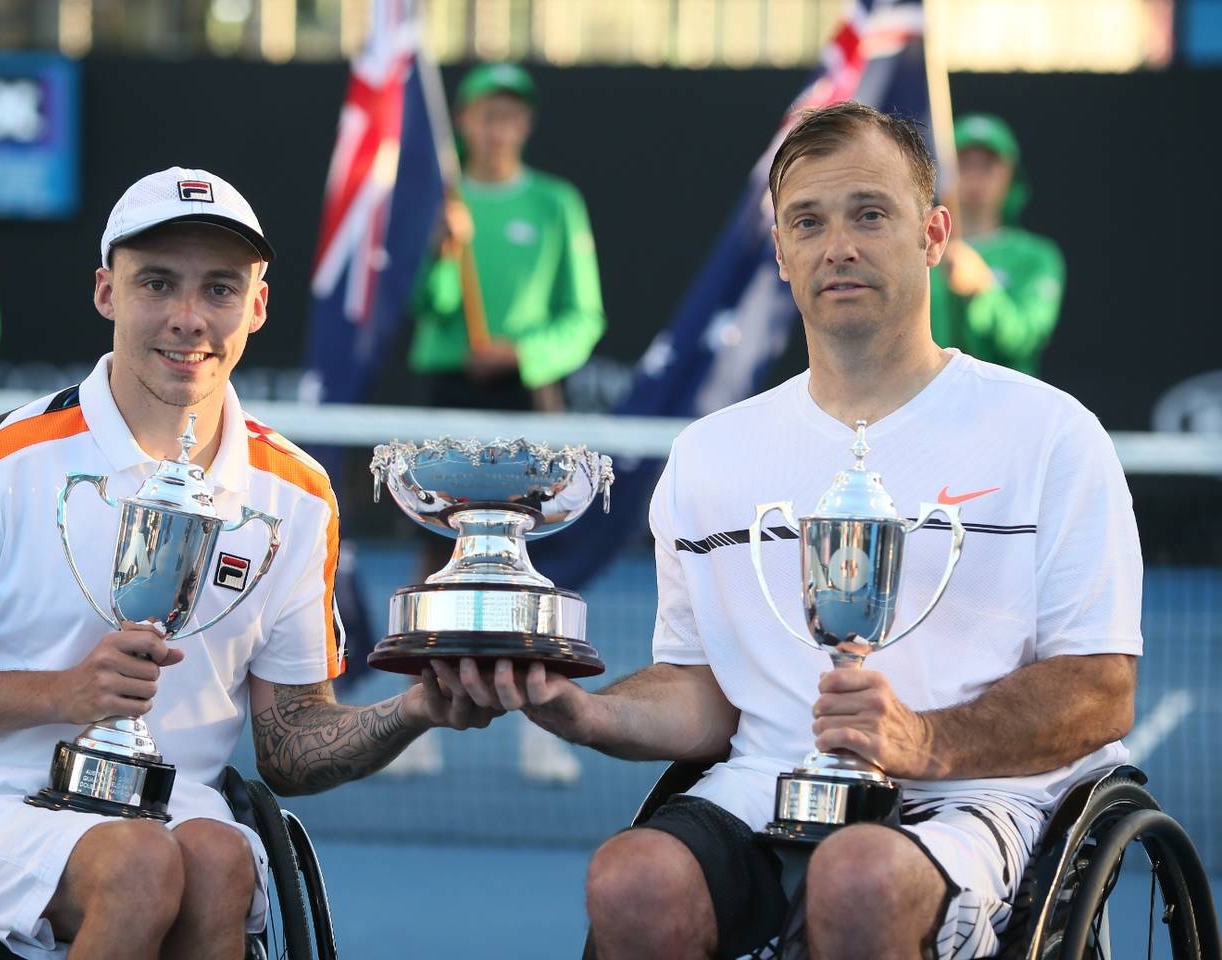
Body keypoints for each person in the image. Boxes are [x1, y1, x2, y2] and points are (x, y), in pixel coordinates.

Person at [433, 102, 1141, 959]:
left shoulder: (1053, 434)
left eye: (870, 214)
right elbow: (701, 693)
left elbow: (1101, 688)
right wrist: (587, 712)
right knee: (631, 881)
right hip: (764, 789)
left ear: (934, 234)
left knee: (859, 879)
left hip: (980, 801)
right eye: (807, 221)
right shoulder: (710, 456)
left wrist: (925, 740)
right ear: (780, 252)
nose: (837, 244)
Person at [0, 167, 499, 960]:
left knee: (220, 862)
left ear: (256, 305)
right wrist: (65, 694)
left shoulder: (298, 495)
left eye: (218, 290)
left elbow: (288, 746)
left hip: (181, 808)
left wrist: (416, 709)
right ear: (106, 292)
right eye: (157, 283)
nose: (189, 319)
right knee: (141, 866)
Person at [391, 62, 607, 784]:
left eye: (511, 113)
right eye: (486, 112)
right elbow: (427, 304)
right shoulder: (435, 202)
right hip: (448, 387)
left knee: (534, 559)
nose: (498, 125)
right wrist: (442, 256)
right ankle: (413, 718)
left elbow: (584, 317)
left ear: (525, 123)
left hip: (528, 393)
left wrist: (523, 351)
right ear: (464, 120)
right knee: (432, 550)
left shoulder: (556, 203)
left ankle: (542, 723)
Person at [930, 112, 1065, 377]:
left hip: (1006, 404)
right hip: (927, 402)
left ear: (1009, 174)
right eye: (964, 163)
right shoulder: (920, 250)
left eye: (987, 164)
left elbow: (1025, 337)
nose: (975, 175)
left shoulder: (1036, 256)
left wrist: (982, 287)